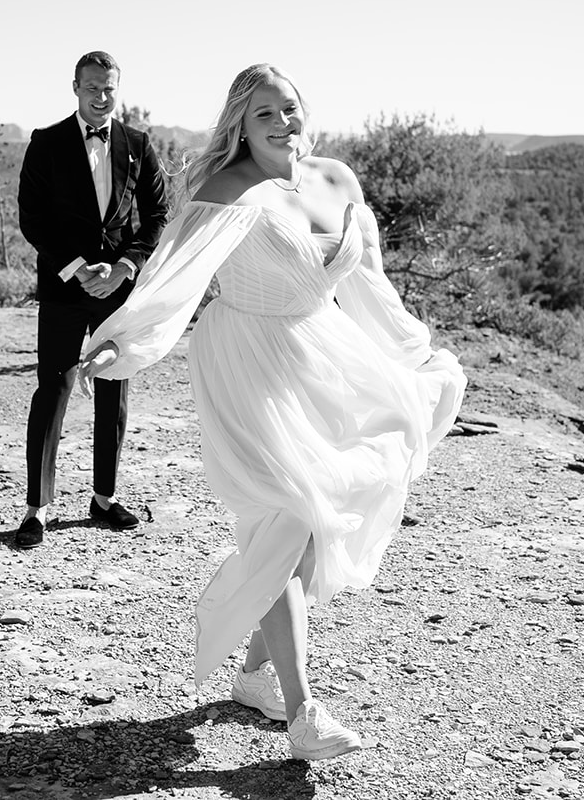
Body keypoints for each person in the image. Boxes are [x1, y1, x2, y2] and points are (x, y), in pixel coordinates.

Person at [73, 63, 465, 760]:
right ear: (240, 127)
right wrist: (121, 346)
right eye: (263, 115)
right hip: (246, 360)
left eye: (288, 108)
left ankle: (255, 673)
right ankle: (304, 710)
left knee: (311, 527)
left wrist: (418, 356)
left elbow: (367, 285)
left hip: (324, 356)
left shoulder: (337, 180)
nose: (282, 123)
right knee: (286, 512)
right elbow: (174, 282)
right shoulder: (226, 189)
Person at [14, 51, 170, 550]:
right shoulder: (47, 143)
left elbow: (156, 215)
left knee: (114, 395)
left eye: (110, 89)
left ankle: (103, 499)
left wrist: (125, 266)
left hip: (118, 291)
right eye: (92, 88)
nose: (102, 97)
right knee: (53, 392)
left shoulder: (138, 145)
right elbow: (32, 219)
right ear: (75, 87)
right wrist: (79, 269)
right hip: (65, 288)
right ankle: (36, 509)